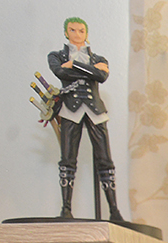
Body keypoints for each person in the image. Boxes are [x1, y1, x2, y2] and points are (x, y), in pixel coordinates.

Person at [48, 17, 123, 221]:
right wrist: (91, 70)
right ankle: (66, 209)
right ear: (66, 33)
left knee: (105, 159)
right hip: (70, 109)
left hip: (95, 110)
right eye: (73, 30)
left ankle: (114, 211)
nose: (77, 34)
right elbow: (60, 72)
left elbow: (102, 77)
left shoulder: (99, 57)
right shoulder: (56, 56)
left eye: (81, 31)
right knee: (68, 159)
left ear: (86, 34)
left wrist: (74, 65)